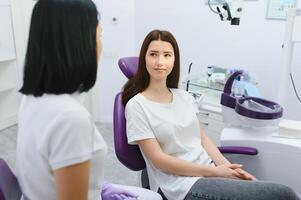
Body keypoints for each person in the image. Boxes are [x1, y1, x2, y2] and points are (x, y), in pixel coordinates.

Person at [122, 29, 300, 200]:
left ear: (174, 60)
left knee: (266, 190)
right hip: (180, 185)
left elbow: (203, 139)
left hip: (208, 171)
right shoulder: (137, 105)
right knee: (283, 194)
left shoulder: (183, 97)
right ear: (144, 59)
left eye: (167, 55)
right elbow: (158, 160)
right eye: (153, 54)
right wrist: (215, 172)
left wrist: (228, 168)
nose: (160, 61)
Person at [16, 1, 162, 200]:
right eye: (99, 34)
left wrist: (98, 187)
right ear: (80, 41)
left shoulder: (32, 98)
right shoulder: (70, 118)